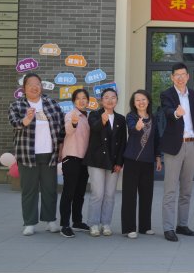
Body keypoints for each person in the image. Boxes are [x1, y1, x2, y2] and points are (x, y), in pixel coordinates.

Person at [8, 73, 64, 236]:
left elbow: (61, 127)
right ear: (24, 88)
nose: (34, 87)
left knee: (50, 189)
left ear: (41, 86)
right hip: (27, 155)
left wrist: (61, 147)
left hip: (49, 154)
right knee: (29, 190)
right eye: (30, 84)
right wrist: (26, 119)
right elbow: (15, 123)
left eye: (37, 84)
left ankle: (50, 221)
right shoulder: (17, 105)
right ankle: (29, 223)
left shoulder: (51, 104)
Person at [160, 63, 194, 242]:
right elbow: (168, 111)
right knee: (170, 190)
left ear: (188, 76)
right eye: (176, 75)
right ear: (172, 77)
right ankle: (168, 228)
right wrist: (176, 113)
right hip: (174, 146)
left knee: (187, 189)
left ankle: (182, 224)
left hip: (192, 145)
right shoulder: (167, 94)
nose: (180, 77)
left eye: (183, 74)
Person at [84, 88, 126, 237]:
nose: (110, 100)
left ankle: (106, 223)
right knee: (98, 194)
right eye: (106, 97)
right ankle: (93, 224)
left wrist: (120, 162)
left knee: (110, 194)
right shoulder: (94, 115)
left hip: (113, 161)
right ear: (101, 101)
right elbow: (94, 128)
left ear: (117, 100)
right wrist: (103, 120)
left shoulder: (121, 119)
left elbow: (123, 142)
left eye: (113, 97)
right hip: (96, 160)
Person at [121, 89, 162, 239]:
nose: (141, 102)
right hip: (132, 160)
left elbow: (156, 138)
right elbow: (132, 130)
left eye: (143, 99)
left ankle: (145, 226)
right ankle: (129, 228)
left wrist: (158, 157)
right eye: (137, 100)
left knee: (147, 195)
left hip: (148, 161)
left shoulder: (153, 118)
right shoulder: (131, 116)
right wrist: (137, 127)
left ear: (148, 101)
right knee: (129, 195)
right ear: (134, 103)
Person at [59, 88, 91, 238]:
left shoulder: (87, 117)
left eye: (84, 98)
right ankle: (64, 224)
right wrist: (73, 123)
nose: (81, 101)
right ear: (73, 101)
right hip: (71, 158)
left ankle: (77, 221)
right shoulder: (71, 115)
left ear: (88, 101)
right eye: (78, 98)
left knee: (80, 193)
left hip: (83, 160)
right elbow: (69, 130)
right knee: (69, 193)